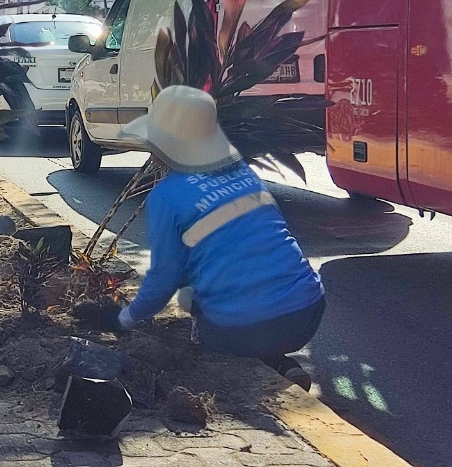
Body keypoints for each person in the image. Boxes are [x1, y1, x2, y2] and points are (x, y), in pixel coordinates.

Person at [88, 85, 326, 390]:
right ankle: (278, 361)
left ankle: (264, 360)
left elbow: (165, 277)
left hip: (244, 328)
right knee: (219, 275)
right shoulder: (242, 173)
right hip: (308, 309)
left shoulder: (167, 194)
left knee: (191, 298)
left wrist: (124, 320)